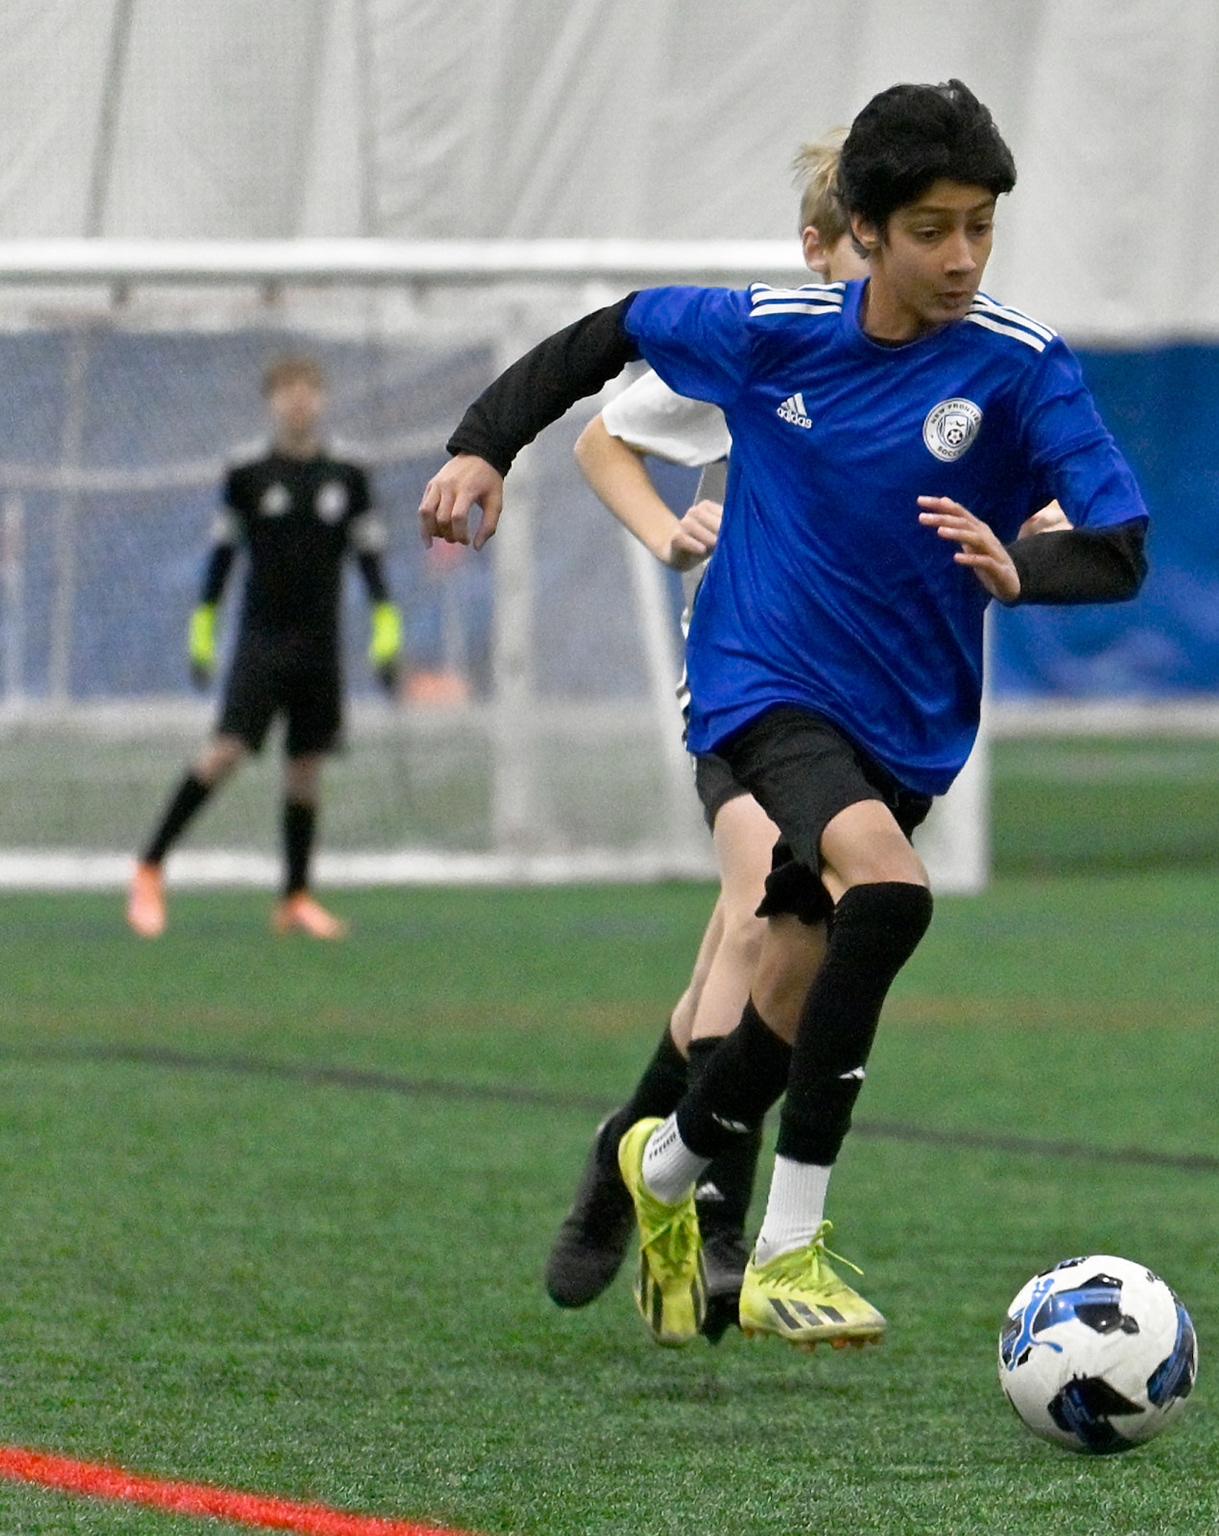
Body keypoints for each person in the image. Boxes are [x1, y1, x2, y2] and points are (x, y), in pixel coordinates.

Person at [419, 79, 1149, 1350]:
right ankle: (782, 1245)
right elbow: (609, 333)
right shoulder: (773, 334)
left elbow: (1122, 546)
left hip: (907, 723)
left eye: (981, 227)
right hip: (758, 683)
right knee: (889, 894)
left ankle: (656, 1165)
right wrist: (484, 444)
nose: (963, 257)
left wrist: (1023, 566)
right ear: (862, 230)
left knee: (791, 976)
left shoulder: (1023, 367)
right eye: (932, 229)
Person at [552, 129, 1075, 1343]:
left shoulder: (951, 370)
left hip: (863, 701)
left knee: (748, 964)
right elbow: (601, 436)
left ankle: (636, 1151)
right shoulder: (768, 344)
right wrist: (667, 534)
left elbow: (1034, 493)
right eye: (879, 246)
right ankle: (721, 1222)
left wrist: (1039, 532)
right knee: (763, 921)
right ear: (827, 247)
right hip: (752, 686)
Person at [127, 355, 403, 939]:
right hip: (262, 642)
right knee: (225, 751)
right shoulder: (248, 473)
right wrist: (203, 626)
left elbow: (370, 557)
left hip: (321, 644)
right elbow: (223, 556)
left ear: (322, 399)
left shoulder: (348, 474)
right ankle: (149, 867)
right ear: (271, 401)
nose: (299, 400)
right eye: (287, 390)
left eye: (309, 389)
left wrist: (386, 627)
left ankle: (295, 897)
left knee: (305, 767)